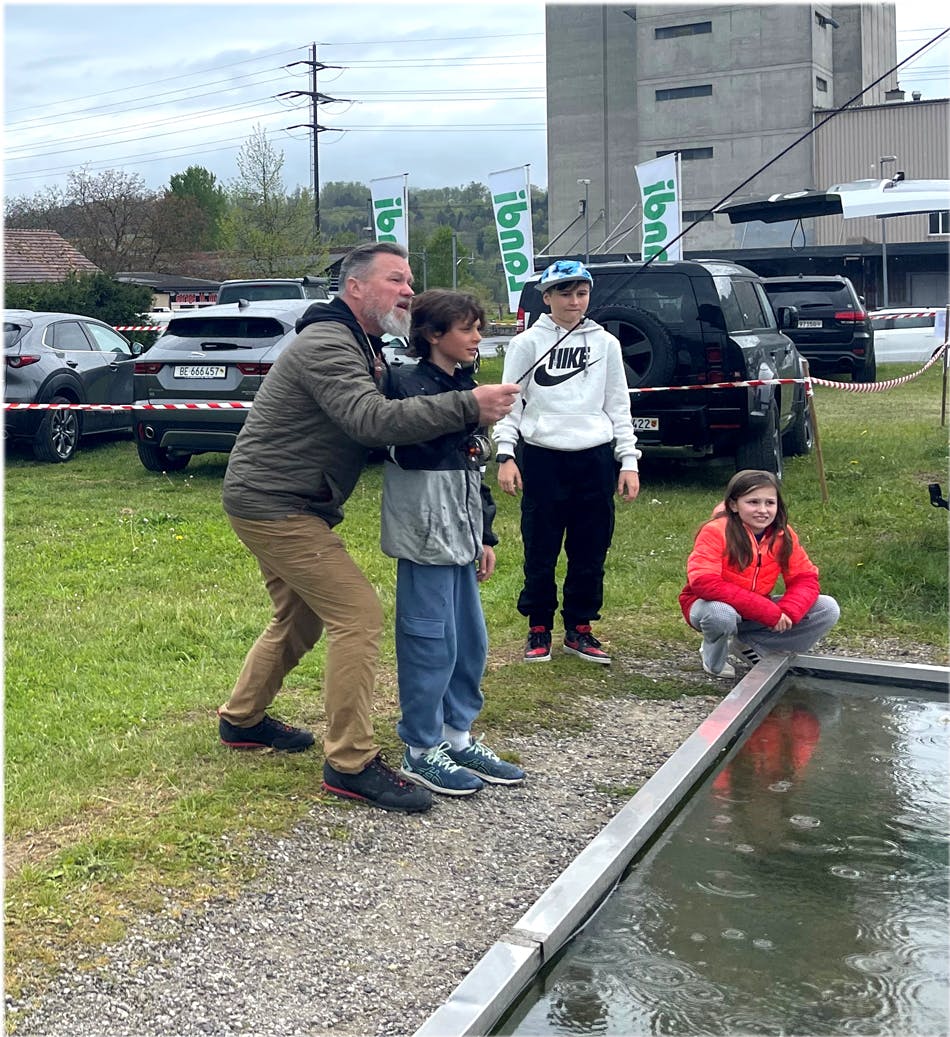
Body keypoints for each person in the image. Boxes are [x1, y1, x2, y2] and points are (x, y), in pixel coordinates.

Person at [217, 242, 521, 814]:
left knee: (299, 617)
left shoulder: (360, 342)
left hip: (288, 500)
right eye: (396, 280)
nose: (409, 290)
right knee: (357, 616)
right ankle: (350, 763)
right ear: (355, 287)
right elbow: (371, 420)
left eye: (409, 281)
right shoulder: (328, 343)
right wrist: (467, 405)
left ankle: (242, 721)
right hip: (276, 504)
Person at [381, 289, 526, 796]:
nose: (478, 338)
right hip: (423, 536)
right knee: (429, 644)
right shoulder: (403, 384)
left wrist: (485, 533)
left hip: (461, 537)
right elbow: (411, 449)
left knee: (469, 642)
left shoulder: (465, 387)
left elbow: (471, 466)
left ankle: (455, 736)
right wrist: (470, 413)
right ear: (432, 334)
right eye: (467, 329)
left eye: (479, 327)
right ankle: (420, 748)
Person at [493, 259, 641, 665]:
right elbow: (511, 403)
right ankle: (538, 626)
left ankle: (580, 627)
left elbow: (618, 404)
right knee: (540, 546)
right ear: (547, 298)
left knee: (591, 548)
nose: (574, 301)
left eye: (582, 293)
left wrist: (628, 460)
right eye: (565, 293)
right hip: (542, 457)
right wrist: (506, 454)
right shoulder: (527, 344)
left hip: (594, 458)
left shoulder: (606, 343)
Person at [679, 469, 840, 679]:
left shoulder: (784, 534)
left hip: (754, 609)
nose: (762, 510)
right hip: (708, 605)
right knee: (721, 615)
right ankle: (713, 660)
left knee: (827, 608)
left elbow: (805, 578)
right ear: (734, 505)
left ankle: (756, 647)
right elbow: (705, 583)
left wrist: (789, 611)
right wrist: (768, 612)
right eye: (753, 502)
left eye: (769, 503)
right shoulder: (715, 531)